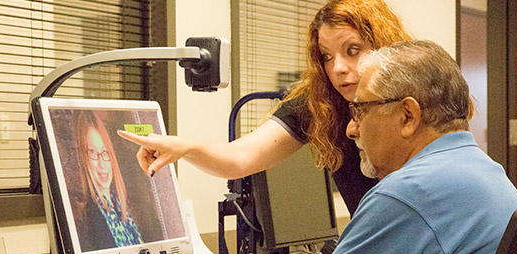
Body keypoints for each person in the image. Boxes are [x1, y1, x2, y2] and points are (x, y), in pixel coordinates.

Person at [162, 39, 517, 254]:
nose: (351, 128)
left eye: (361, 110)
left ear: (408, 116)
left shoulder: (405, 197)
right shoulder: (486, 173)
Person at [118, 0, 416, 215]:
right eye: (326, 56)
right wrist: (184, 148)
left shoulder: (416, 100)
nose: (338, 68)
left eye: (353, 50)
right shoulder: (319, 105)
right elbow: (240, 157)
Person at [72, 111, 142, 250]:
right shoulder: (84, 218)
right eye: (92, 152)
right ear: (82, 158)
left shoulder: (124, 208)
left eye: (105, 152)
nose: (102, 164)